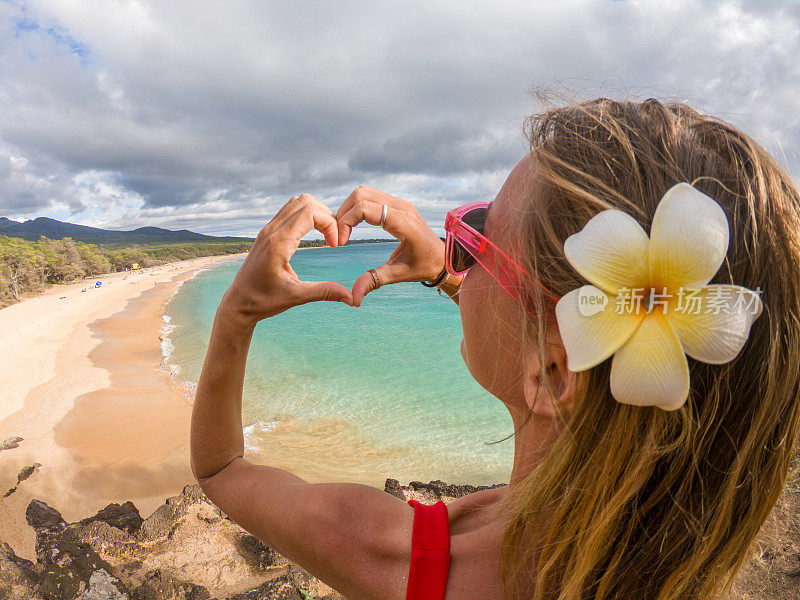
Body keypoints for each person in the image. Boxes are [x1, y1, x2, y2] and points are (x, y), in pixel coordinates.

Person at [189, 96, 800, 600]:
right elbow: (558, 343)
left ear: (555, 375)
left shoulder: (400, 558)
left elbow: (221, 470)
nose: (460, 255)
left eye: (480, 238)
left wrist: (238, 309)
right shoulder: (679, 561)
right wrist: (443, 270)